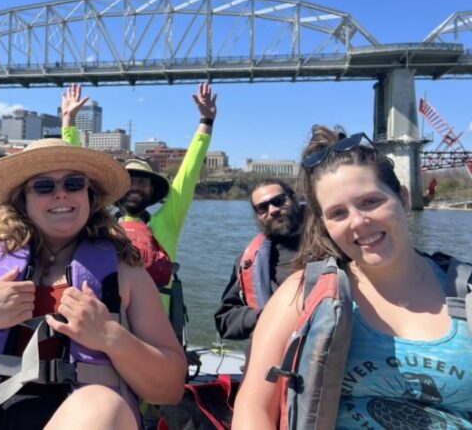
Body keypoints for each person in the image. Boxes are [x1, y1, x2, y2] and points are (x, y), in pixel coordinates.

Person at [0, 138, 186, 430]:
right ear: (22, 200)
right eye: (44, 186)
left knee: (100, 404)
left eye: (74, 184)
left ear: (89, 195)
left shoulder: (127, 273)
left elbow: (170, 389)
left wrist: (111, 336)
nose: (61, 194)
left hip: (86, 418)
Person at [232, 126, 472, 429]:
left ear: (403, 198)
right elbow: (254, 407)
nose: (358, 222)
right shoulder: (302, 293)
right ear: (324, 225)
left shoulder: (465, 290)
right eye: (338, 213)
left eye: (371, 201)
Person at [61, 83, 217, 304]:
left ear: (152, 191)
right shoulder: (98, 223)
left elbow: (188, 173)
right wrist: (68, 121)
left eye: (142, 182)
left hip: (156, 324)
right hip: (107, 321)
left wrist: (206, 121)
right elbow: (76, 171)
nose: (135, 187)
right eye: (129, 182)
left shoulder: (167, 222)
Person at [213, 179, 303, 340]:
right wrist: (265, 316)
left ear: (293, 198)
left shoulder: (333, 238)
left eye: (278, 201)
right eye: (263, 208)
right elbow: (224, 320)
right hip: (278, 345)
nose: (273, 210)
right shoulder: (249, 261)